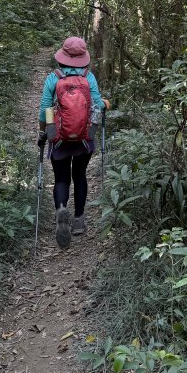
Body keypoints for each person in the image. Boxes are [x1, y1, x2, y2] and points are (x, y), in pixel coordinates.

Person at [38, 37, 110, 249]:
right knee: (79, 176)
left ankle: (61, 208)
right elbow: (97, 105)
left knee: (61, 179)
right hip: (84, 138)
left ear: (63, 56)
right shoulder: (89, 78)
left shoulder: (54, 77)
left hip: (58, 137)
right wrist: (104, 104)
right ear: (83, 58)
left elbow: (44, 108)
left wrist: (43, 133)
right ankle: (78, 220)